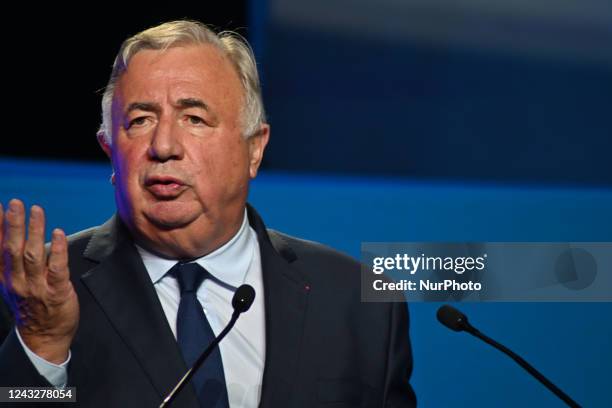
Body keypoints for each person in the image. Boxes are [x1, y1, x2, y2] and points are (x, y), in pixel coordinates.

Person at [0, 20, 416, 407]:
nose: (164, 145)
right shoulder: (34, 297)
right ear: (111, 150)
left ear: (254, 148)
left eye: (194, 118)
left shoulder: (356, 301)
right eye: (140, 120)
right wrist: (43, 347)